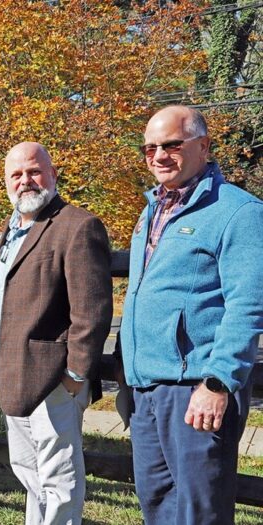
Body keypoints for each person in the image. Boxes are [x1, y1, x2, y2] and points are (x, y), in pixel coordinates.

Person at [119, 105, 263, 524]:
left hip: (197, 391)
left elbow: (248, 305)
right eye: (149, 148)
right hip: (147, 391)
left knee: (199, 514)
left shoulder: (238, 212)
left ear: (203, 146)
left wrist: (218, 382)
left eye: (171, 145)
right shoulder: (151, 213)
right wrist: (130, 377)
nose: (159, 156)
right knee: (157, 508)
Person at [0, 142, 113, 525]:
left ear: (53, 174)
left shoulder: (78, 225)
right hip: (14, 374)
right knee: (29, 473)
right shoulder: (11, 229)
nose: (25, 180)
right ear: (6, 182)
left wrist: (75, 375)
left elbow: (91, 311)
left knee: (59, 479)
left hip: (55, 380)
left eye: (34, 171)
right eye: (16, 174)